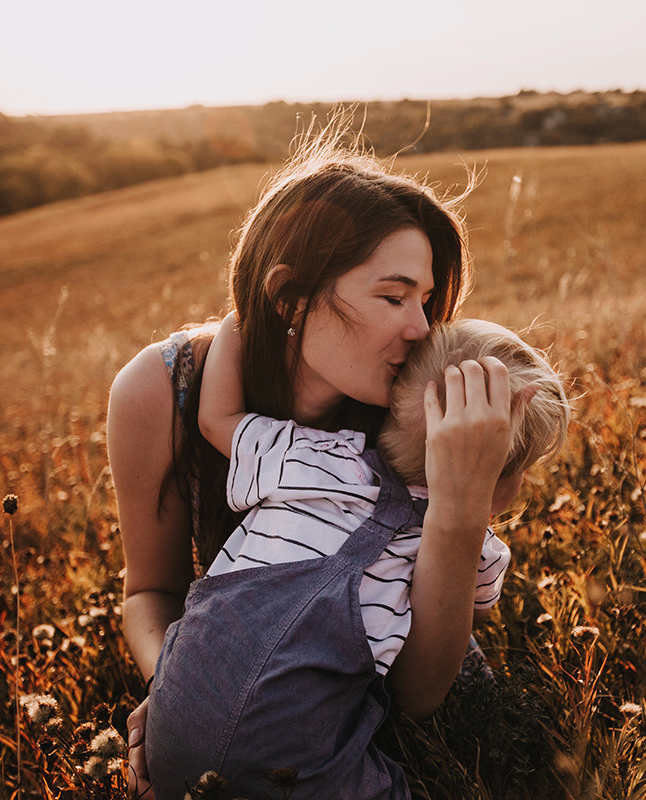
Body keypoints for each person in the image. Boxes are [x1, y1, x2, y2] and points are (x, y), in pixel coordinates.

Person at [105, 124, 493, 798]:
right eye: (393, 297)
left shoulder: (408, 410)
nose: (420, 329)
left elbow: (418, 692)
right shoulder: (159, 392)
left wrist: (460, 510)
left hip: (364, 685)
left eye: (426, 301)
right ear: (290, 297)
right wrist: (183, 685)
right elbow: (148, 593)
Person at [144, 318, 569, 798]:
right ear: (496, 479)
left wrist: (239, 321)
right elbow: (473, 617)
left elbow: (215, 418)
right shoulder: (474, 551)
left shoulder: (315, 456)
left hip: (169, 736)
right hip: (301, 763)